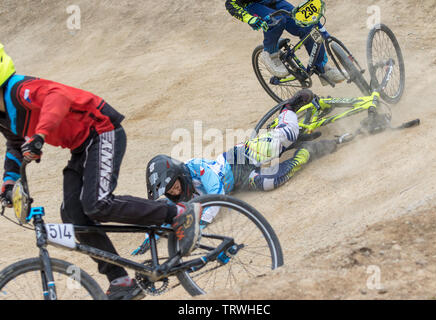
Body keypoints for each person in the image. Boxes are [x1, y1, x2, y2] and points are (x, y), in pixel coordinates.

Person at [0, 43, 203, 300]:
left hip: (102, 130)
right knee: (73, 214)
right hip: (81, 147)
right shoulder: (3, 116)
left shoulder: (20, 90)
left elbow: (57, 97)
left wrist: (41, 134)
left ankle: (178, 212)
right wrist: (9, 183)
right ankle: (120, 280)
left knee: (97, 203)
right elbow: (15, 146)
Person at [146, 89, 339, 228]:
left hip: (241, 158)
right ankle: (309, 151)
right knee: (274, 181)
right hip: (241, 183)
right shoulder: (175, 196)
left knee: (289, 133)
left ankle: (290, 106)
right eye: (169, 190)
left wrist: (203, 222)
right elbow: (163, 213)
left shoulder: (195, 167)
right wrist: (151, 236)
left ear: (178, 173)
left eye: (173, 184)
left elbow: (215, 191)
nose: (174, 190)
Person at [224, 0, 346, 84]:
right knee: (277, 21)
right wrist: (249, 19)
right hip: (252, 5)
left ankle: (322, 69)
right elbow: (230, 3)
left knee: (306, 25)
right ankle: (270, 53)